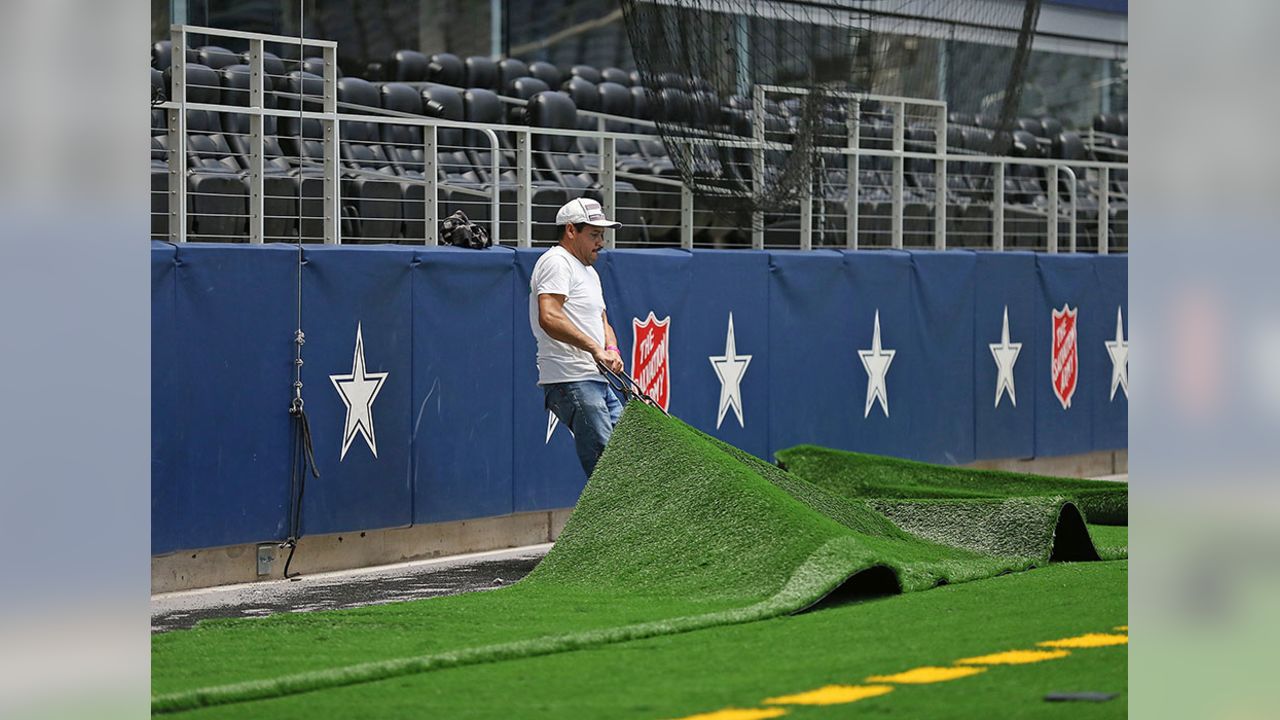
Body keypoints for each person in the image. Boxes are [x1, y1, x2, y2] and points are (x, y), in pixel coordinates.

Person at [529, 198, 626, 477]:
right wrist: (596, 349)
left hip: (596, 379)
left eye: (602, 235)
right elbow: (548, 316)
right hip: (570, 378)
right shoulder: (556, 262)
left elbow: (602, 320)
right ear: (571, 231)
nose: (601, 242)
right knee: (608, 465)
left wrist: (612, 349)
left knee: (625, 454)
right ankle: (613, 519)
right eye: (594, 235)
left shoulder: (590, 272)